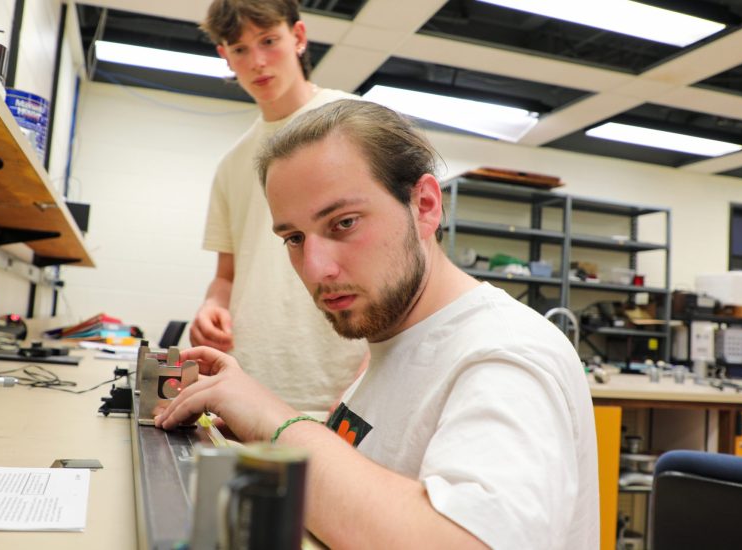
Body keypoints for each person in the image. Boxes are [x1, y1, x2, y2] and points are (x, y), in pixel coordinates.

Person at [157, 100, 600, 549]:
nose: (315, 268)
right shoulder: (398, 341)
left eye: (343, 223)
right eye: (294, 238)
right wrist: (246, 413)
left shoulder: (505, 355)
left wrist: (274, 422)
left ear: (424, 205)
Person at [191, 0, 367, 412]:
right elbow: (227, 277)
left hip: (342, 388)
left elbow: (408, 263)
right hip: (251, 384)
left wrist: (375, 374)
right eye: (240, 49)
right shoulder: (233, 164)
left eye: (269, 41)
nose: (258, 62)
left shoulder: (358, 124)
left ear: (299, 37)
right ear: (225, 56)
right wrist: (212, 305)